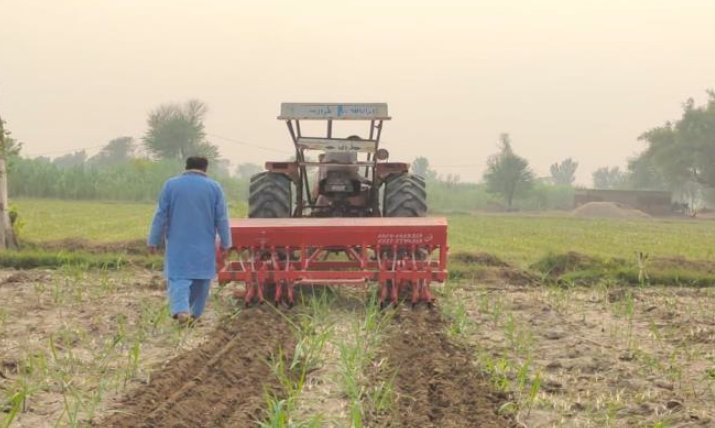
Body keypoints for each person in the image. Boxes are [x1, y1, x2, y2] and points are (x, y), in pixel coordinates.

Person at [148, 156, 231, 324]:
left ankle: (181, 310)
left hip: (179, 242)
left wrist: (153, 240)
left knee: (179, 277)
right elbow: (221, 218)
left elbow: (161, 215)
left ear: (186, 167)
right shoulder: (214, 188)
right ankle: (194, 314)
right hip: (204, 242)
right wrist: (226, 242)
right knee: (202, 279)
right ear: (205, 169)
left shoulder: (171, 185)